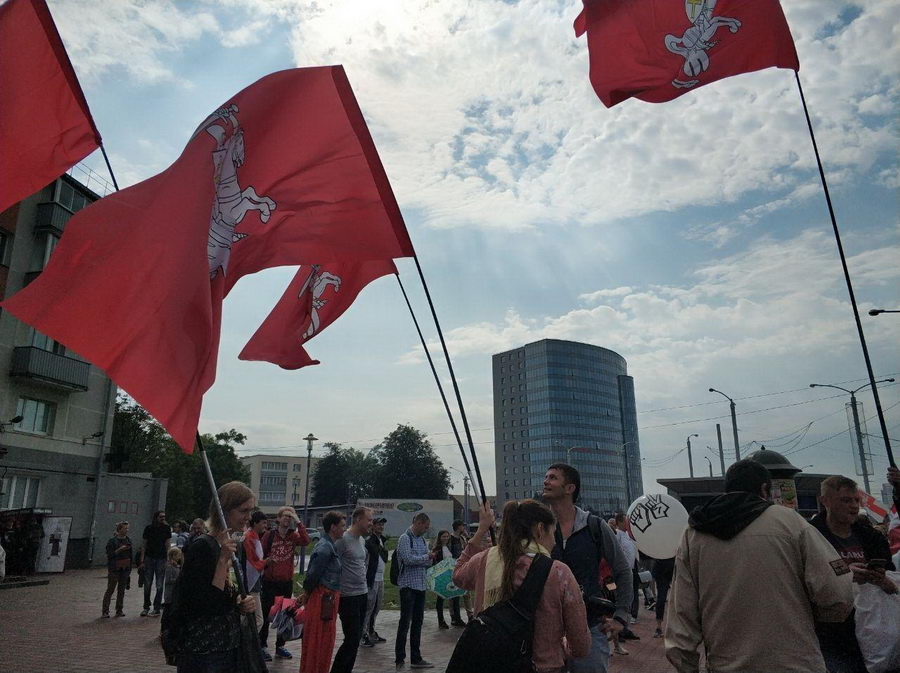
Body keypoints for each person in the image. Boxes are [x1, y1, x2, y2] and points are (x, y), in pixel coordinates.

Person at [666, 459, 855, 673]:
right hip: (795, 664)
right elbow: (838, 593)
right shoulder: (790, 523)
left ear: (727, 489)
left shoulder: (694, 534)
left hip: (726, 666)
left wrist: (688, 665)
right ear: (765, 489)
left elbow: (681, 614)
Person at [453, 500, 591, 673]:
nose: (554, 542)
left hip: (489, 664)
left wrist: (481, 530)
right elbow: (581, 646)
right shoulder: (559, 572)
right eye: (553, 534)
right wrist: (559, 645)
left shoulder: (485, 560)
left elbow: (458, 576)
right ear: (540, 529)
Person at [542, 463, 632, 673]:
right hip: (547, 632)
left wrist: (621, 615)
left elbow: (622, 570)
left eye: (553, 477)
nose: (546, 481)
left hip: (589, 625)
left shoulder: (594, 526)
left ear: (570, 488)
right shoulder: (540, 529)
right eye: (546, 477)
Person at [810, 474, 898, 673]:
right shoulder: (811, 536)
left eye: (856, 500)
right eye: (845, 500)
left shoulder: (871, 536)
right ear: (825, 501)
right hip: (834, 633)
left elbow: (890, 574)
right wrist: (844, 574)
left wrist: (882, 580)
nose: (853, 506)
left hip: (875, 628)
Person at [175, 481, 258, 673]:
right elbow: (204, 604)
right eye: (243, 511)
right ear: (224, 510)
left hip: (227, 646)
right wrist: (222, 562)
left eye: (250, 511)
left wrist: (239, 601)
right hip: (205, 651)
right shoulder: (203, 547)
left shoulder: (232, 546)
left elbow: (224, 597)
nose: (248, 517)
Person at [259, 506, 310, 660]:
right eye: (285, 516)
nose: (288, 519)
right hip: (270, 581)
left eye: (290, 516)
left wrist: (298, 521)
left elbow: (306, 541)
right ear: (278, 518)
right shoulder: (269, 535)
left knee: (285, 615)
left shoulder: (293, 536)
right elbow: (259, 554)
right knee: (267, 613)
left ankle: (280, 646)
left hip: (286, 582)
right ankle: (262, 645)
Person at [300, 510, 345, 673]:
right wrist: (306, 594)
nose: (344, 529)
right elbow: (312, 575)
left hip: (326, 601)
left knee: (322, 643)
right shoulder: (325, 548)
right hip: (322, 601)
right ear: (333, 527)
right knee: (318, 642)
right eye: (342, 526)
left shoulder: (328, 546)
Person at [330, 506, 374, 673]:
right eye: (368, 520)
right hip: (348, 596)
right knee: (352, 638)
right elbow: (333, 565)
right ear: (358, 520)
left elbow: (362, 564)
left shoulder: (361, 540)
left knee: (355, 640)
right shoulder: (343, 540)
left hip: (362, 593)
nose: (371, 523)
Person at [395, 512, 435, 670]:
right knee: (405, 623)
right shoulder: (405, 538)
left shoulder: (422, 540)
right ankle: (399, 658)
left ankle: (416, 658)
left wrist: (428, 558)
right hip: (408, 586)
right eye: (425, 526)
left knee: (418, 623)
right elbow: (408, 559)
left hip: (420, 585)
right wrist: (426, 557)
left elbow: (423, 562)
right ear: (418, 523)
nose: (426, 529)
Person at [612, 511, 641, 643]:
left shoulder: (628, 535)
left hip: (632, 570)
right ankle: (620, 630)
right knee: (623, 598)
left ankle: (626, 627)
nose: (627, 523)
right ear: (619, 522)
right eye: (625, 521)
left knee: (632, 597)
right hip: (622, 572)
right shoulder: (617, 534)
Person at [242, 510, 269, 638]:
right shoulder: (250, 537)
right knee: (259, 620)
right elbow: (253, 562)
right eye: (263, 523)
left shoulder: (253, 536)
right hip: (251, 582)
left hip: (253, 582)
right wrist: (267, 561)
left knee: (248, 619)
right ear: (256, 522)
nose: (265, 526)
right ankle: (247, 645)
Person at [362, 516, 389, 647]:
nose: (381, 527)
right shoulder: (369, 542)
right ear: (373, 526)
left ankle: (371, 630)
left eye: (382, 525)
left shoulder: (381, 540)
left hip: (381, 578)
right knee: (368, 607)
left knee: (376, 607)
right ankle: (363, 634)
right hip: (371, 579)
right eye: (378, 524)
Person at [139, 510, 171, 616]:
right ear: (156, 517)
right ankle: (146, 606)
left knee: (159, 584)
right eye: (161, 516)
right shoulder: (148, 528)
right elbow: (144, 544)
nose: (163, 518)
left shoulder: (166, 529)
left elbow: (168, 544)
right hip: (149, 558)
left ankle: (156, 607)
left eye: (164, 517)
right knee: (147, 583)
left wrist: (168, 559)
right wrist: (142, 560)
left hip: (161, 558)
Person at [430, 530, 462, 629]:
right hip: (441, 577)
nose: (446, 538)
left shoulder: (449, 547)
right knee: (441, 598)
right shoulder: (437, 549)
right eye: (443, 536)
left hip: (451, 575)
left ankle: (457, 618)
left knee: (455, 595)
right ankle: (441, 620)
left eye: (447, 536)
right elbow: (435, 563)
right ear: (439, 537)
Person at [102, 521, 133, 618]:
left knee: (121, 590)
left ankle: (119, 609)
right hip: (114, 568)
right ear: (119, 529)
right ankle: (105, 611)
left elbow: (130, 555)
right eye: (125, 528)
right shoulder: (112, 541)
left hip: (125, 568)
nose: (127, 530)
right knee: (110, 589)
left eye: (127, 528)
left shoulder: (128, 540)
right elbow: (109, 555)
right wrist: (119, 550)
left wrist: (129, 569)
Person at [448, 520, 474, 621]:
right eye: (463, 526)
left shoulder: (462, 538)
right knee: (453, 593)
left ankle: (470, 615)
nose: (464, 528)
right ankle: (454, 615)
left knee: (466, 592)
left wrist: (467, 537)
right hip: (452, 567)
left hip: (462, 566)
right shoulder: (450, 538)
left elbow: (469, 547)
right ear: (459, 527)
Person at [650, 556, 674, 639]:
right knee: (661, 600)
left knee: (661, 599)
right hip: (668, 568)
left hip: (667, 567)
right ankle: (659, 627)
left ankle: (659, 627)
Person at [162, 546, 183, 623]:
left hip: (174, 592)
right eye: (178, 555)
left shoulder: (176, 566)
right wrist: (178, 580)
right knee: (167, 610)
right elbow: (168, 580)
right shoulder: (169, 566)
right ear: (173, 556)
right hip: (170, 593)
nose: (179, 557)